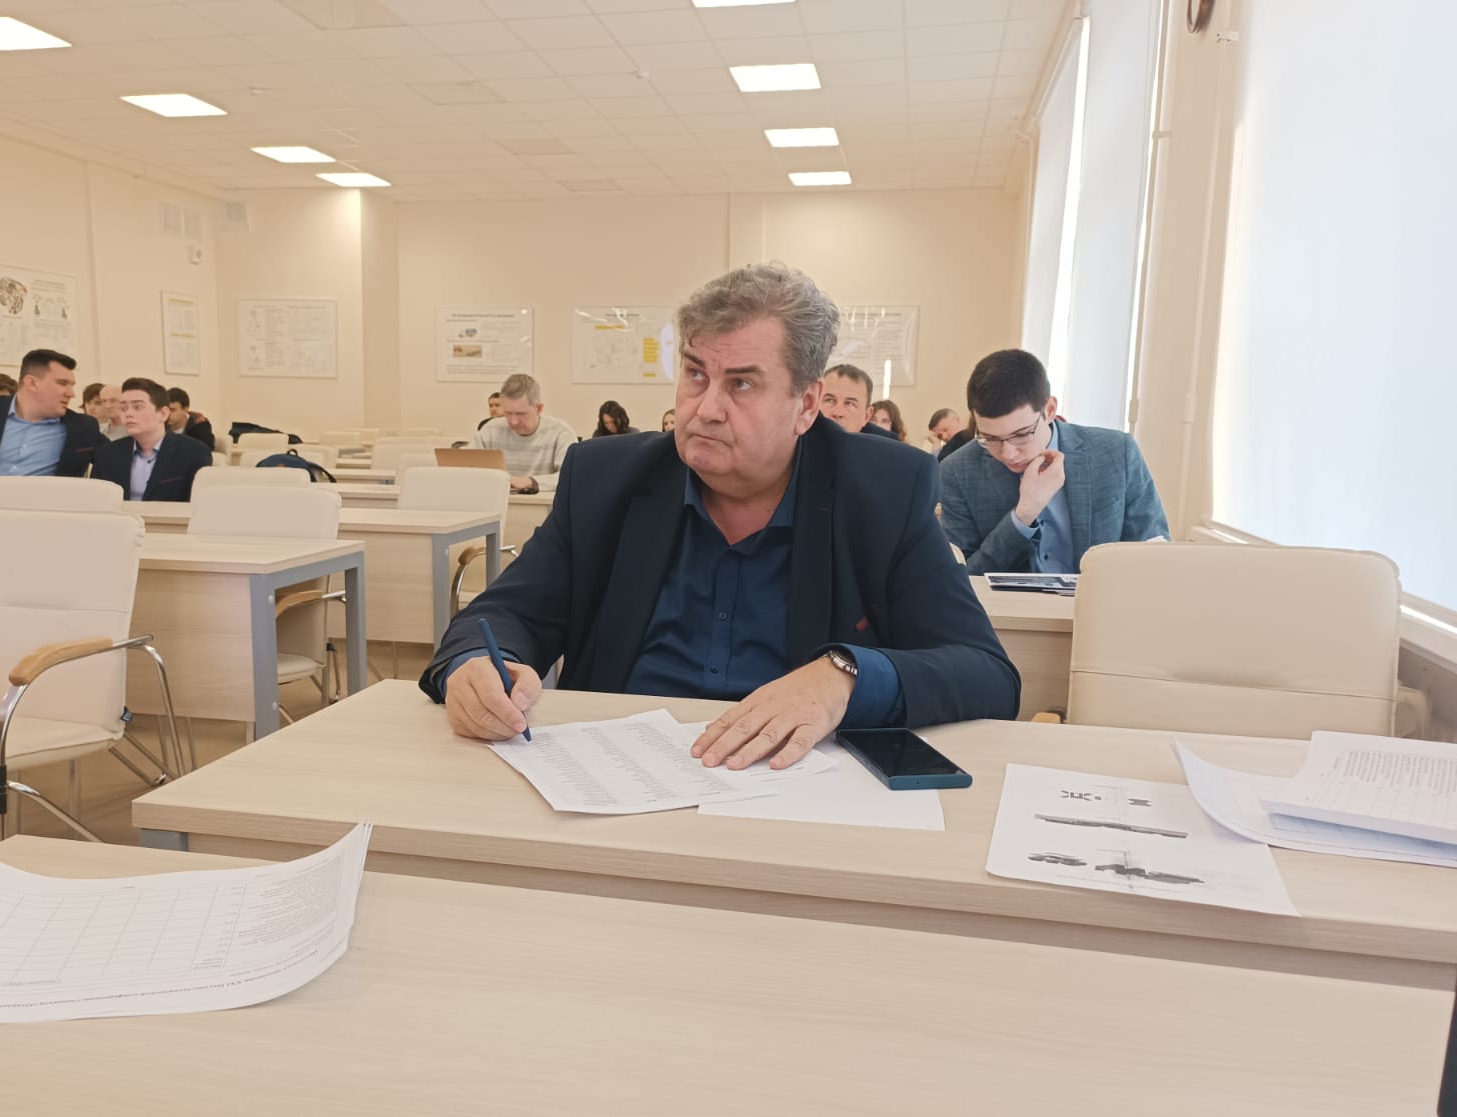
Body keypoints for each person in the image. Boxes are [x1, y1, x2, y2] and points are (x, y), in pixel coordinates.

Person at [421, 263, 1020, 769]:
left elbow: (985, 672)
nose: (705, 408)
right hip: (616, 779)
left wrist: (845, 675)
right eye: (695, 374)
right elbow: (502, 616)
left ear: (806, 404)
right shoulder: (606, 480)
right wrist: (472, 665)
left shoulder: (883, 490)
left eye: (742, 385)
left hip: (794, 785)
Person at [939, 349, 1169, 575]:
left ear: (1049, 410)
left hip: (1103, 598)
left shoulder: (1117, 453)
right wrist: (1023, 515)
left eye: (1021, 434)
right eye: (990, 438)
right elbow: (960, 578)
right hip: (1006, 602)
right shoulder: (957, 472)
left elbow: (1152, 559)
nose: (1008, 453)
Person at [0, 349, 105, 494]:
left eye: (72, 385)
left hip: (39, 518)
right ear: (31, 383)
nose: (71, 393)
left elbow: (115, 458)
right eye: (62, 383)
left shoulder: (82, 428)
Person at [91, 376, 211, 502]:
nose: (128, 414)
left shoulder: (194, 452)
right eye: (123, 408)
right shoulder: (106, 454)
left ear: (163, 413)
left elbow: (201, 505)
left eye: (137, 407)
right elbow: (95, 502)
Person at [471, 373, 578, 492]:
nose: (513, 421)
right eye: (508, 413)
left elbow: (573, 477)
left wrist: (530, 482)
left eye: (521, 414)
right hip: (497, 500)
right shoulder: (490, 430)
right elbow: (466, 469)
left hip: (543, 503)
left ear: (539, 408)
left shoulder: (560, 432)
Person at [820, 364, 897, 439]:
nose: (838, 413)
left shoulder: (887, 446)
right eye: (829, 400)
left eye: (850, 403)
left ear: (866, 416)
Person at [165, 387, 215, 452]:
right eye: (166, 409)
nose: (168, 414)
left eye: (172, 410)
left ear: (185, 410)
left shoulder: (200, 424)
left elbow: (206, 449)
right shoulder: (161, 423)